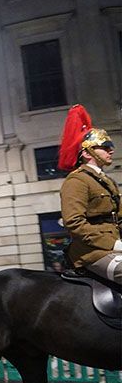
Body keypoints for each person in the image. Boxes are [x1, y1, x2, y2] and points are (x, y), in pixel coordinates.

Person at [58, 104, 121, 283]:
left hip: (114, 245)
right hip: (92, 252)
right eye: (105, 146)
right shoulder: (76, 181)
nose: (111, 150)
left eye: (111, 146)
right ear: (86, 153)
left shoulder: (108, 181)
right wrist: (114, 244)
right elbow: (74, 223)